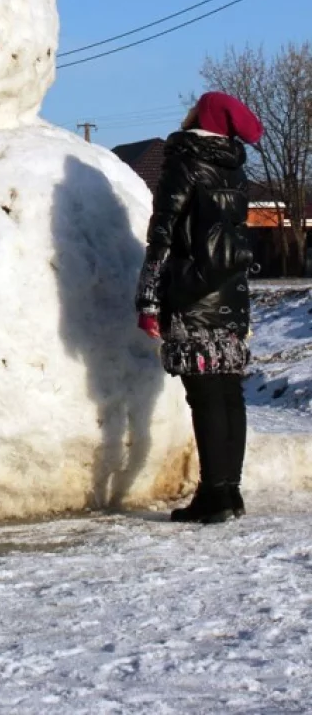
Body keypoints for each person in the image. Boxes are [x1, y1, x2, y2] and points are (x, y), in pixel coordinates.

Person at [135, 91, 264, 524]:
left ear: (199, 115)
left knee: (204, 398)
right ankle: (230, 492)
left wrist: (149, 297)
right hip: (230, 294)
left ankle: (212, 497)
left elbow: (164, 230)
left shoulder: (185, 158)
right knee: (228, 395)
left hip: (192, 294)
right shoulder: (235, 168)